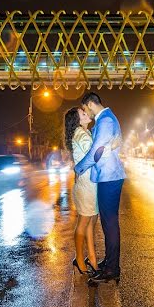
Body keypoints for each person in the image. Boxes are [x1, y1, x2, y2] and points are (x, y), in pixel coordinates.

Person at [73, 92, 125, 282]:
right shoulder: (107, 119)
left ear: (89, 105)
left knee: (110, 224)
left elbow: (96, 151)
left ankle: (112, 269)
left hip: (109, 177)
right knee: (107, 223)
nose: (85, 112)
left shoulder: (105, 121)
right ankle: (110, 262)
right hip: (107, 176)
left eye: (85, 108)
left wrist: (79, 167)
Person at [63, 106, 100, 278]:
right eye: (82, 114)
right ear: (77, 120)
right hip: (86, 185)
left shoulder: (84, 133)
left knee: (91, 221)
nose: (87, 114)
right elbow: (94, 155)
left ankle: (91, 258)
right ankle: (79, 259)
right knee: (85, 223)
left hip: (89, 184)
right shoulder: (81, 134)